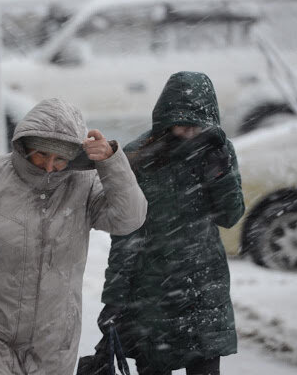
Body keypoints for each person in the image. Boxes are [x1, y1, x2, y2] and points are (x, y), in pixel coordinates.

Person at [0, 98, 147, 375]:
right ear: (23, 146)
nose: (49, 166)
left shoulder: (82, 186)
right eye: (41, 154)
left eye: (60, 159)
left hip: (52, 343)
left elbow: (129, 218)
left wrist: (111, 163)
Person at [96, 71, 245, 375]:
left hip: (203, 288)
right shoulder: (139, 157)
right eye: (182, 123)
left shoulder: (217, 149)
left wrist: (219, 172)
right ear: (165, 117)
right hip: (151, 291)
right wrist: (114, 298)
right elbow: (126, 233)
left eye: (197, 125)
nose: (190, 132)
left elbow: (230, 216)